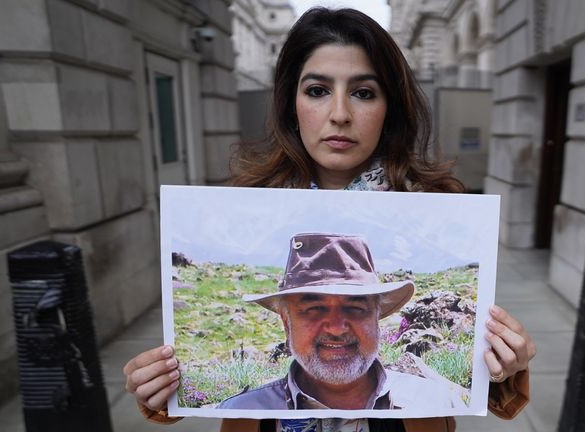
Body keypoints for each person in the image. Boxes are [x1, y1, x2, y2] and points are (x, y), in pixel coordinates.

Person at [123, 7, 535, 432]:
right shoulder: (249, 204)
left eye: (363, 92)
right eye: (318, 90)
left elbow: (482, 383)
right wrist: (164, 387)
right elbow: (194, 392)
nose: (339, 113)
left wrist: (505, 365)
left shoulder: (440, 207)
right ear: (291, 104)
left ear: (389, 107)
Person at [217, 232, 467, 411]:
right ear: (286, 323)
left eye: (355, 307)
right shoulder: (244, 412)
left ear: (377, 319)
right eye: (314, 308)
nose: (336, 328)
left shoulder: (435, 401)